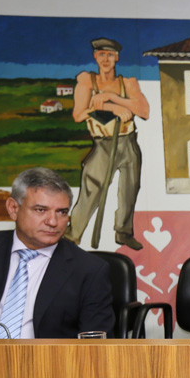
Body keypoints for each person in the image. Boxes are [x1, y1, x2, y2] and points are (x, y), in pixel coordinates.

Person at [0, 168, 114, 339]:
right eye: (41, 210)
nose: (53, 222)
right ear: (13, 208)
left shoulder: (89, 270)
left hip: (46, 365)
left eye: (62, 212)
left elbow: (96, 341)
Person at [67, 37, 150, 251]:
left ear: (117, 57)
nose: (106, 59)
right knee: (92, 187)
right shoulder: (87, 81)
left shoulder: (128, 82)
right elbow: (78, 114)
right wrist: (111, 109)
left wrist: (112, 97)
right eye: (102, 54)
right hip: (103, 143)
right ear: (95, 56)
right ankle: (73, 234)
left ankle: (123, 232)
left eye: (110, 55)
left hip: (127, 141)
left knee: (130, 188)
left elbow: (143, 111)